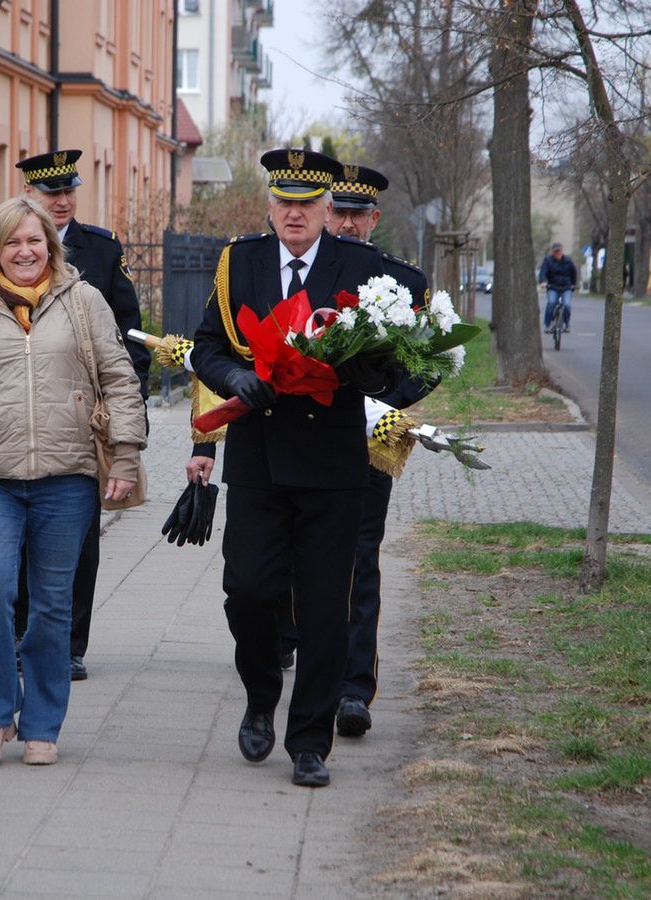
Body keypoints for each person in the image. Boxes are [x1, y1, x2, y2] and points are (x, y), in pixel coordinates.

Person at [190, 148, 393, 788]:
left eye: (309, 204)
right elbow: (207, 348)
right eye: (285, 202)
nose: (296, 213)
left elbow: (389, 362)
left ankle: (310, 739)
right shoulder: (239, 261)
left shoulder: (360, 267)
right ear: (270, 205)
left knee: (327, 608)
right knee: (247, 590)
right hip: (259, 460)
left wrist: (360, 367)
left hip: (333, 463)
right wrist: (236, 378)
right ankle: (260, 696)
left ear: (327, 209)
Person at [0, 197, 146, 767]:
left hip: (66, 477)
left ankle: (42, 722)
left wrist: (123, 457)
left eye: (35, 241)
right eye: (13, 242)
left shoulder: (84, 302)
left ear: (51, 245)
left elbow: (120, 380)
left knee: (50, 605)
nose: (25, 252)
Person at [12, 149, 152, 682]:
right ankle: (20, 635)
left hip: (82, 418)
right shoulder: (5, 243)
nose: (64, 201)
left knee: (79, 535)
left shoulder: (101, 248)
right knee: (18, 534)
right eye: (53, 193)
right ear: (30, 195)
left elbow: (130, 333)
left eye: (70, 190)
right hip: (21, 415)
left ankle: (70, 643)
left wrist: (123, 408)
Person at [326, 163, 436, 739]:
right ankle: (302, 652)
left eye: (356, 214)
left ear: (375, 218)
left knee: (360, 555)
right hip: (307, 435)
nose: (346, 224)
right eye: (337, 212)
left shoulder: (407, 282)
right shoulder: (304, 270)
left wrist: (388, 403)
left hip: (374, 436)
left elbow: (429, 361)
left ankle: (352, 689)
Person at [539, 242, 577, 333]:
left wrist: (573, 285)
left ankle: (566, 323)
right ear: (552, 252)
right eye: (555, 251)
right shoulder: (548, 260)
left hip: (566, 287)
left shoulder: (568, 261)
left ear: (562, 251)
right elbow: (543, 272)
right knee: (551, 302)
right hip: (553, 287)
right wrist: (543, 282)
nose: (557, 253)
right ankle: (548, 324)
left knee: (567, 305)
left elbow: (573, 273)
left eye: (559, 251)